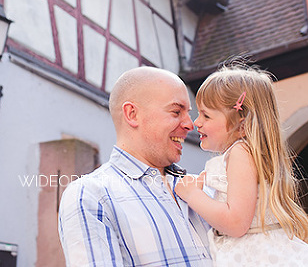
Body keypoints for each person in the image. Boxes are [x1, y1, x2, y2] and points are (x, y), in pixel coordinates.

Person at [58, 66, 213, 266]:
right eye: (176, 111)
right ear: (132, 114)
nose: (190, 125)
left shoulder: (205, 188)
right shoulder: (91, 195)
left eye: (187, 113)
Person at [174, 62, 308, 267]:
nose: (196, 122)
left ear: (242, 124)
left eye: (206, 115)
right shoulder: (248, 154)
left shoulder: (240, 153)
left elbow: (236, 223)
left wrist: (193, 195)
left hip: (253, 256)